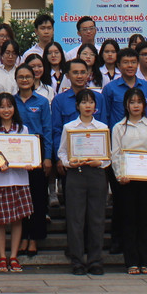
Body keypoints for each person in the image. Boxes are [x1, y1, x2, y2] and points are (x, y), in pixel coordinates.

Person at [109, 86, 147, 274]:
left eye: (139, 102)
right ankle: (131, 261)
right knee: (129, 220)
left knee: (144, 220)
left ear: (144, 104)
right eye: (132, 102)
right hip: (126, 180)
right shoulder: (118, 127)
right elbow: (115, 154)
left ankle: (146, 261)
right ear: (126, 105)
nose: (135, 106)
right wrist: (119, 175)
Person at [58, 88, 109, 275]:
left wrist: (101, 162)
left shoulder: (102, 128)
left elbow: (108, 156)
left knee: (96, 218)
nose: (88, 106)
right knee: (75, 219)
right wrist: (68, 162)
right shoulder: (69, 127)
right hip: (76, 174)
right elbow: (62, 152)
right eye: (84, 102)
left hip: (96, 174)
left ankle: (95, 260)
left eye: (91, 102)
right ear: (77, 105)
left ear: (95, 106)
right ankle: (77, 260)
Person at [0, 93, 33, 271]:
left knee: (17, 220)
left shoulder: (22, 129)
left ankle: (14, 256)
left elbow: (27, 153)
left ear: (14, 108)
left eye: (9, 106)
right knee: (0, 221)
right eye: (2, 107)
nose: (6, 110)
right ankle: (2, 256)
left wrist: (30, 162)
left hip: (19, 180)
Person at [11, 63, 52, 257]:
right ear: (16, 79)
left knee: (37, 198)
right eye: (21, 76)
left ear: (34, 78)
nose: (25, 80)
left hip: (37, 152)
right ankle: (22, 238)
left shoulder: (42, 102)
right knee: (20, 197)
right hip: (16, 153)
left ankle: (34, 238)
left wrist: (48, 157)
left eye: (28, 76)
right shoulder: (10, 101)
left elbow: (48, 130)